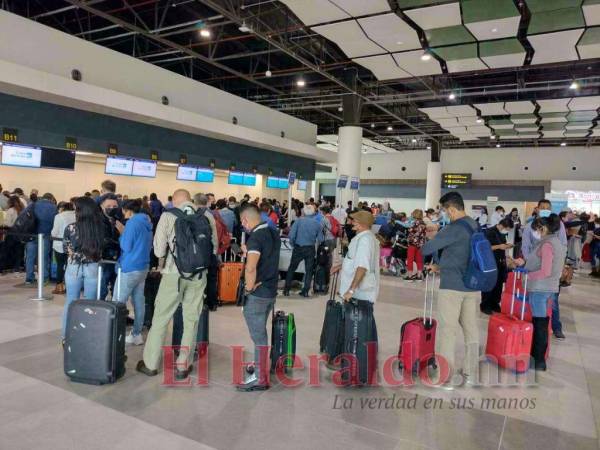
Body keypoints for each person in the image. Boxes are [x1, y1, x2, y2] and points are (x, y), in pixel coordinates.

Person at [137, 189, 208, 380]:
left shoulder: (168, 216)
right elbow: (214, 247)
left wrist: (162, 261)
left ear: (175, 201)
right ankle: (183, 365)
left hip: (173, 274)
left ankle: (151, 364)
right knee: (191, 319)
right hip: (199, 276)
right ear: (190, 200)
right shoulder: (206, 217)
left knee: (161, 318)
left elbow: (159, 249)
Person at [422, 192, 480, 390]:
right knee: (471, 330)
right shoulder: (474, 224)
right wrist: (440, 266)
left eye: (444, 211)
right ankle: (471, 372)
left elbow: (426, 249)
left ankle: (444, 376)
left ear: (452, 209)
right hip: (472, 286)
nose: (444, 214)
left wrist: (434, 232)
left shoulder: (453, 228)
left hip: (452, 287)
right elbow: (462, 254)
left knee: (448, 331)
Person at [236, 203, 281, 391]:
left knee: (259, 336)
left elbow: (251, 267)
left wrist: (248, 288)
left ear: (245, 220)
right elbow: (266, 257)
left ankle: (260, 378)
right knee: (261, 333)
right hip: (270, 291)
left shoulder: (255, 238)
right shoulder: (272, 232)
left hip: (257, 294)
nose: (243, 226)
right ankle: (260, 365)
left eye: (242, 222)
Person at [516, 214, 566, 371]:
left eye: (535, 230)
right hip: (546, 288)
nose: (534, 233)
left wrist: (527, 275)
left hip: (540, 288)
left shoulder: (547, 244)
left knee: (540, 325)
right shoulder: (554, 242)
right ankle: (537, 358)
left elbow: (545, 271)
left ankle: (538, 360)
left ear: (542, 228)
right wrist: (524, 263)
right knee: (541, 323)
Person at [172, 193, 218, 333]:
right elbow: (214, 240)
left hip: (181, 265)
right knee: (208, 283)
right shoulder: (209, 216)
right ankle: (210, 303)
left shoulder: (177, 216)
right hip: (204, 261)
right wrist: (213, 254)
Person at [521, 199, 567, 340]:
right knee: (536, 304)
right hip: (535, 269)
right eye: (543, 207)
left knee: (552, 302)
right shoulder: (530, 227)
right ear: (537, 209)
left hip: (550, 271)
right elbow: (525, 247)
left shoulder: (558, 227)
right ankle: (534, 333)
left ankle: (555, 327)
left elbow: (562, 246)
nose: (545, 209)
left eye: (548, 207)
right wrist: (532, 261)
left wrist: (560, 265)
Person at [61, 196, 105, 339]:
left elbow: (65, 249)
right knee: (90, 303)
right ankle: (86, 336)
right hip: (92, 266)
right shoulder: (99, 228)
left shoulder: (71, 228)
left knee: (71, 301)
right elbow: (102, 247)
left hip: (74, 266)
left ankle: (66, 336)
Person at [114, 199, 153, 346]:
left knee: (118, 302)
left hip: (129, 267)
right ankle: (137, 334)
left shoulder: (132, 223)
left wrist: (122, 232)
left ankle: (114, 335)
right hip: (142, 267)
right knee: (138, 301)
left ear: (128, 210)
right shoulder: (147, 223)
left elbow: (126, 246)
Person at [283, 204, 324, 297]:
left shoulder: (298, 221)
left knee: (291, 268)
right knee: (309, 270)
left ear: (304, 212)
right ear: (314, 213)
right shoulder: (318, 224)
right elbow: (321, 239)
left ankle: (286, 290)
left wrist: (293, 244)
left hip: (298, 247)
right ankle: (305, 291)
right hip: (310, 248)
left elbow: (291, 236)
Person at [480, 217, 514, 315]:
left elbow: (502, 246)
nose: (507, 231)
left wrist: (507, 250)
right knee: (489, 284)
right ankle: (485, 305)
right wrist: (500, 246)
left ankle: (495, 303)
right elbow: (485, 247)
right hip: (490, 262)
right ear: (503, 225)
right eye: (507, 229)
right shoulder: (489, 232)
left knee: (498, 284)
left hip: (500, 262)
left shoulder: (502, 234)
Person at [24, 193, 57, 286]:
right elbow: (55, 221)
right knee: (44, 257)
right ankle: (44, 278)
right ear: (51, 199)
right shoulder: (54, 207)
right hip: (45, 235)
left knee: (30, 257)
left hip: (32, 234)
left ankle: (29, 278)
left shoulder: (33, 205)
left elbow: (25, 217)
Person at [99, 194, 121, 300]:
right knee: (102, 286)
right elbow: (103, 240)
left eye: (115, 206)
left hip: (117, 257)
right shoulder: (98, 220)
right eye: (109, 206)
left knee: (116, 287)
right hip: (104, 258)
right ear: (102, 206)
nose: (112, 209)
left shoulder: (117, 219)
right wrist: (119, 243)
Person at [50, 201, 76, 295]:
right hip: (73, 245)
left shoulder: (59, 216)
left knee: (60, 265)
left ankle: (59, 287)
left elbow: (54, 232)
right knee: (71, 265)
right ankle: (71, 286)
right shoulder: (76, 215)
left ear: (62, 208)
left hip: (59, 244)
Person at [3, 195, 25, 272]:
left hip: (11, 233)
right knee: (18, 251)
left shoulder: (11, 210)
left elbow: (8, 223)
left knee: (7, 250)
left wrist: (3, 224)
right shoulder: (22, 210)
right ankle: (17, 267)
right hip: (20, 234)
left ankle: (5, 267)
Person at [404, 209, 427, 282]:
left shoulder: (414, 223)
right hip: (420, 245)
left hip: (412, 244)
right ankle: (419, 276)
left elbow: (410, 231)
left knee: (410, 260)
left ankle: (410, 276)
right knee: (419, 260)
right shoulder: (423, 223)